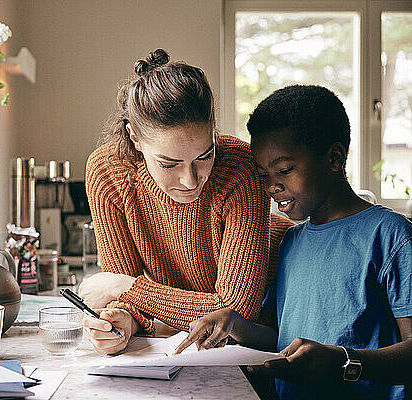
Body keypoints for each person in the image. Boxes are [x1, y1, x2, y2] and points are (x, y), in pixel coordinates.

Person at [175, 85, 412, 399]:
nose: (272, 186)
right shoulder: (291, 241)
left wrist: (342, 362)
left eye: (284, 170)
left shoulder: (389, 235)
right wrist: (234, 323)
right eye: (262, 175)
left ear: (334, 158)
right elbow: (280, 338)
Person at [79, 48, 293, 355]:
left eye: (205, 156)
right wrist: (121, 322)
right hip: (191, 332)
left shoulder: (239, 168)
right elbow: (125, 297)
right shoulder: (107, 172)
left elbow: (233, 313)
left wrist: (128, 289)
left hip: (268, 331)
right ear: (135, 138)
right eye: (169, 164)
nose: (191, 180)